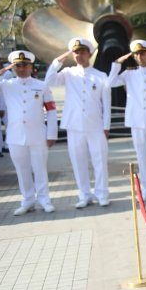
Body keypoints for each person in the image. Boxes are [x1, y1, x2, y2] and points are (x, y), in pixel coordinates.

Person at [0, 51, 58, 215]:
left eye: (25, 65)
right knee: (22, 170)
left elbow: (51, 110)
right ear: (13, 67)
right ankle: (28, 200)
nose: (21, 69)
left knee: (40, 168)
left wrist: (51, 134)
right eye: (17, 65)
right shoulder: (6, 84)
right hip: (15, 135)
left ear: (31, 66)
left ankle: (44, 199)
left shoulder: (41, 85)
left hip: (38, 135)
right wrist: (0, 72)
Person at [45, 38, 112, 208]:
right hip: (74, 125)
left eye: (82, 52)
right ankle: (84, 195)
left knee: (100, 161)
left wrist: (106, 126)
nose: (79, 55)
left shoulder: (100, 76)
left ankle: (102, 194)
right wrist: (57, 62)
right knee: (78, 161)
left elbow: (107, 104)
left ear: (89, 53)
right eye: (75, 52)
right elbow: (49, 81)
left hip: (95, 125)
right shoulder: (67, 73)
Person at [108, 40, 146, 200]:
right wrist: (117, 63)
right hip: (136, 121)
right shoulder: (128, 74)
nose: (139, 57)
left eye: (142, 53)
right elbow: (110, 83)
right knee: (141, 156)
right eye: (136, 54)